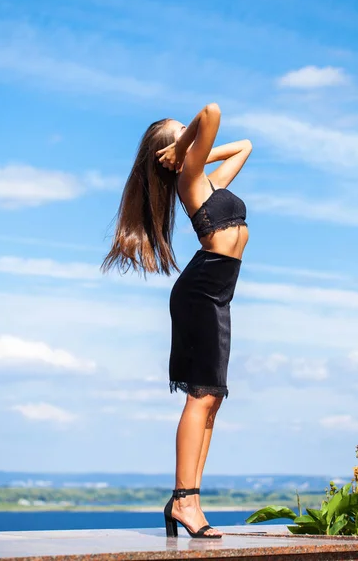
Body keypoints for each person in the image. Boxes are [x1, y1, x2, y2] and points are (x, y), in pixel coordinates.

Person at [101, 103, 252, 538]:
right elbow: (211, 112)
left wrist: (187, 150)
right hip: (201, 292)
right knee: (200, 397)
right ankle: (185, 501)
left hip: (217, 294)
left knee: (214, 399)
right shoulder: (188, 179)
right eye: (180, 131)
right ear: (174, 154)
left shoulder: (205, 179)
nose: (189, 131)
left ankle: (188, 499)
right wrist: (187, 148)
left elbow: (244, 146)